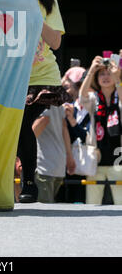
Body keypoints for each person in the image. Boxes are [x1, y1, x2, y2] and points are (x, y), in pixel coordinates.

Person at [17, 0, 71, 203]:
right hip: (12, 77)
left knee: (22, 123)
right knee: (11, 127)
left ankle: (29, 182)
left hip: (42, 78)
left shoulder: (48, 3)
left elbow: (56, 42)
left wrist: (34, 16)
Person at [79, 55, 122, 205]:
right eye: (101, 74)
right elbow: (81, 96)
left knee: (120, 203)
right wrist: (91, 71)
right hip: (96, 158)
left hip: (118, 158)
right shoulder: (94, 98)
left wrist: (118, 78)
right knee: (92, 203)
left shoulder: (119, 94)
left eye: (108, 73)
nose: (105, 77)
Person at [32, 104, 76, 203]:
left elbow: (43, 120)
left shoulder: (41, 96)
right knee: (48, 208)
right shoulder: (57, 99)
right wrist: (69, 156)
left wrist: (22, 149)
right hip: (57, 164)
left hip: (44, 164)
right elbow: (64, 128)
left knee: (42, 211)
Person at [60, 66, 90, 202]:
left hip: (88, 163)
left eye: (67, 87)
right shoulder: (67, 106)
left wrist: (72, 121)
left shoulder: (94, 106)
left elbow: (88, 138)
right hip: (68, 162)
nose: (64, 91)